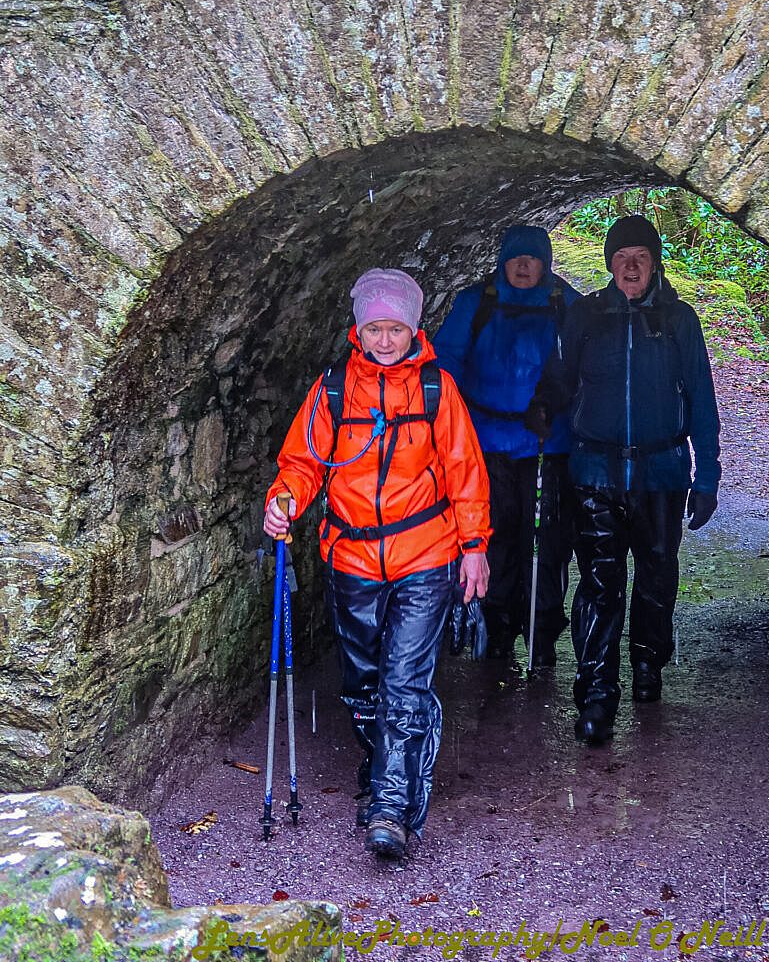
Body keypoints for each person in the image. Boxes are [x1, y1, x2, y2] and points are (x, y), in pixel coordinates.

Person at [263, 268, 491, 859]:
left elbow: (466, 473)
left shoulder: (438, 389)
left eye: (395, 329)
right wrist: (282, 502)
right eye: (375, 329)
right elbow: (303, 462)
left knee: (403, 682)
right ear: (358, 330)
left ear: (413, 329)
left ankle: (392, 807)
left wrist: (475, 549)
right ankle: (382, 766)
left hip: (425, 553)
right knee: (362, 683)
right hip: (353, 558)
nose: (385, 340)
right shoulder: (333, 389)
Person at [525, 216, 721, 744]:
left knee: (657, 575)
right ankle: (595, 693)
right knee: (599, 583)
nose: (630, 266)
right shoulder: (586, 315)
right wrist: (543, 405)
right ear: (609, 263)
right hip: (596, 470)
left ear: (654, 262)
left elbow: (701, 399)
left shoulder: (679, 320)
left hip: (661, 471)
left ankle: (647, 666)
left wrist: (708, 476)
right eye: (621, 257)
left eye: (640, 256)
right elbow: (560, 377)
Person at [433, 225, 581, 664]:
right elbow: (446, 362)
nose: (522, 266)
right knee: (492, 537)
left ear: (545, 263)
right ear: (501, 261)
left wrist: (556, 404)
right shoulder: (476, 303)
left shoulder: (564, 304)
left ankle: (541, 633)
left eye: (531, 259)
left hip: (545, 445)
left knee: (545, 542)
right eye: (515, 258)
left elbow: (582, 363)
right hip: (486, 443)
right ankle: (496, 628)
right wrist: (452, 423)